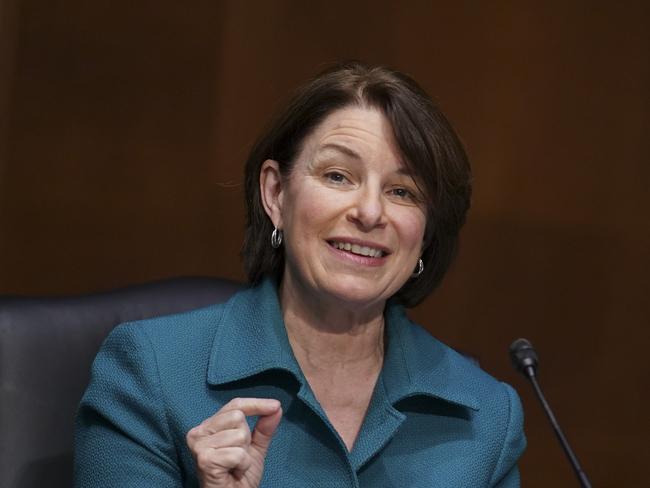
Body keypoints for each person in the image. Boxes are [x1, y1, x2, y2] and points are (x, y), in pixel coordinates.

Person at [74, 62, 526, 487]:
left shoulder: (485, 416)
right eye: (337, 175)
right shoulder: (149, 372)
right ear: (276, 194)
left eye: (402, 191)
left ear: (425, 234)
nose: (370, 212)